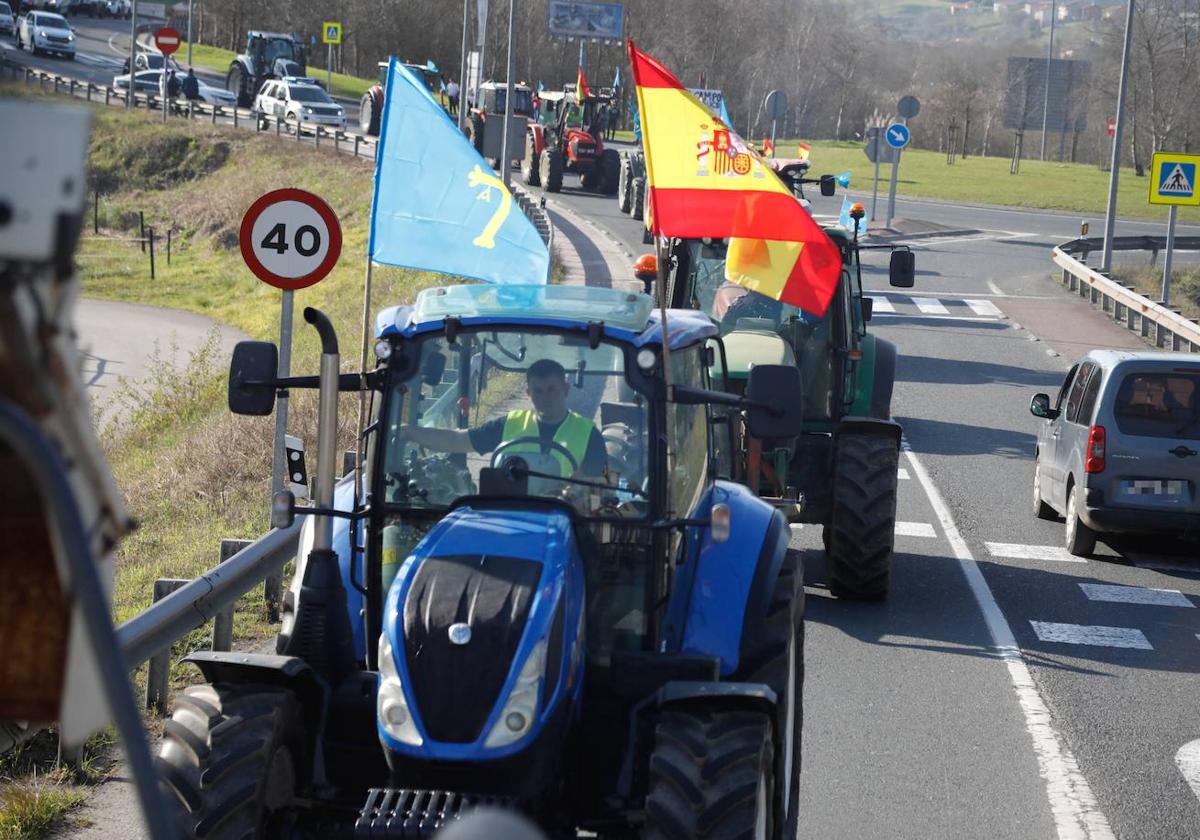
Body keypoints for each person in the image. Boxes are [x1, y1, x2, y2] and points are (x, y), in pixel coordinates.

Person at [402, 359, 608, 481]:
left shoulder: (588, 433)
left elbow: (599, 487)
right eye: (538, 390)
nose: (545, 397)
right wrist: (409, 431)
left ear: (565, 389)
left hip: (563, 523)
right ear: (528, 392)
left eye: (552, 389)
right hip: (507, 518)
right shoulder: (511, 423)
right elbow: (457, 441)